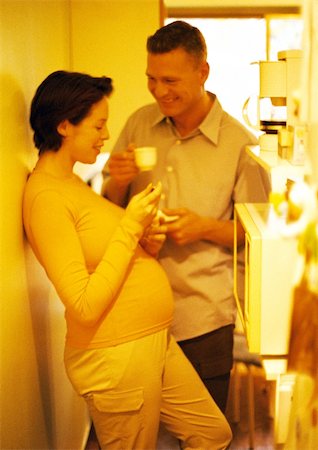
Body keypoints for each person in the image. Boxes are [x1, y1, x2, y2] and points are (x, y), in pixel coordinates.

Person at [23, 70, 232, 450]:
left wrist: (143, 241)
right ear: (65, 125)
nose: (106, 136)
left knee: (213, 434)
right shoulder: (45, 198)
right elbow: (84, 304)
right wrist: (129, 227)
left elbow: (101, 254)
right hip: (115, 355)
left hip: (151, 342)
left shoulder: (72, 182)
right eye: (99, 125)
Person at [102, 20, 271, 414]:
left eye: (171, 80)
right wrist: (115, 183)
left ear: (203, 72)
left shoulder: (242, 145)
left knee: (204, 433)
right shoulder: (139, 122)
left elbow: (258, 236)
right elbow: (110, 211)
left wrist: (204, 228)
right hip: (137, 310)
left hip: (203, 318)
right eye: (151, 78)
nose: (160, 91)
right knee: (142, 429)